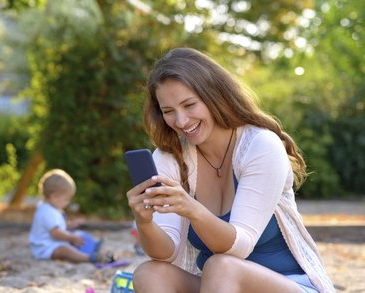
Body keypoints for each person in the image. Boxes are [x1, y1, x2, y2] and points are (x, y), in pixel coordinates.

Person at [126, 48, 335, 292]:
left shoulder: (260, 145)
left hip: (288, 284)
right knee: (150, 273)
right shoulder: (171, 157)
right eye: (169, 112)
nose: (181, 121)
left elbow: (239, 247)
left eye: (189, 105)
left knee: (221, 265)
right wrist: (145, 221)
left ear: (214, 96)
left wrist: (192, 209)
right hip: (218, 286)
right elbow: (165, 254)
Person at [29, 169, 110, 263]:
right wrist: (72, 238)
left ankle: (92, 246)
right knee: (65, 249)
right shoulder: (47, 211)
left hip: (53, 244)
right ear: (54, 196)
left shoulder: (52, 209)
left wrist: (71, 225)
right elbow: (55, 232)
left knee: (76, 234)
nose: (68, 202)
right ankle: (89, 258)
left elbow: (59, 227)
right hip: (44, 248)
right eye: (66, 199)